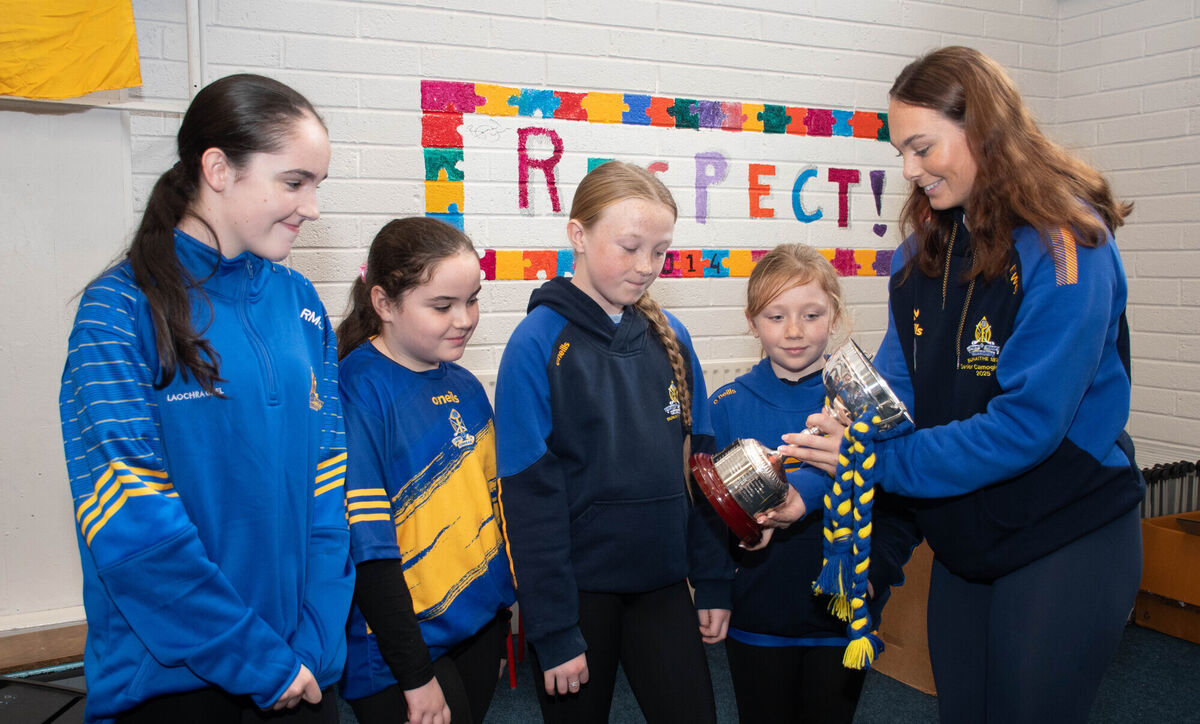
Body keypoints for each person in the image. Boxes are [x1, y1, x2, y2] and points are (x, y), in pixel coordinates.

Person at [784, 46, 1144, 724]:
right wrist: (817, 470)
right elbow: (892, 397)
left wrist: (879, 459)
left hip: (1065, 530)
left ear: (981, 129)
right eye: (902, 153)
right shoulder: (922, 251)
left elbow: (1026, 427)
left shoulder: (1067, 242)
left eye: (922, 147)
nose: (910, 171)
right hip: (968, 532)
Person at [58, 74, 353, 723]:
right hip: (176, 684)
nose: (312, 206)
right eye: (295, 181)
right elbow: (131, 523)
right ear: (218, 168)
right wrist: (256, 661)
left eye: (318, 185)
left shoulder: (301, 305)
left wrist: (313, 644)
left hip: (301, 672)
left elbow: (329, 494)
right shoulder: (120, 310)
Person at [494, 161, 732, 724]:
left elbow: (701, 470)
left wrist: (715, 578)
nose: (646, 266)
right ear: (578, 234)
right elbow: (530, 501)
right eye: (629, 247)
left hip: (663, 585)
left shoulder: (672, 336)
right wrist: (551, 629)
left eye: (660, 251)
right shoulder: (536, 344)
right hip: (579, 598)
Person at [709, 244, 912, 724]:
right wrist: (719, 585)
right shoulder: (727, 405)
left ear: (835, 316)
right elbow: (708, 516)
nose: (794, 331)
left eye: (811, 314)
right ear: (752, 321)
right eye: (776, 316)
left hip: (842, 624)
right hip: (758, 619)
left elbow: (900, 509)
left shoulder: (865, 412)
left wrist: (874, 577)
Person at [336, 217, 515, 724]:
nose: (464, 318)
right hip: (399, 649)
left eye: (472, 299)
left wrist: (499, 619)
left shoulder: (466, 385)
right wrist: (414, 675)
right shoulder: (359, 391)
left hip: (475, 624)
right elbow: (368, 550)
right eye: (442, 306)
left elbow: (491, 511)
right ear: (384, 304)